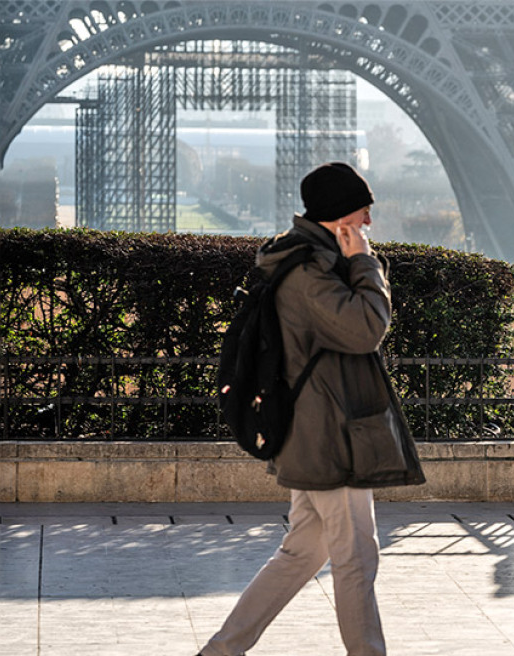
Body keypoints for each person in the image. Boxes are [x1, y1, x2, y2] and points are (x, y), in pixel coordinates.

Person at [199, 162, 424, 656]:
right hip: (329, 436)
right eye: (364, 212)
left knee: (302, 552)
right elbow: (365, 327)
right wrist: (366, 263)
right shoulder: (308, 271)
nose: (368, 224)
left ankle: (221, 651)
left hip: (321, 430)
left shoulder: (313, 261)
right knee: (357, 559)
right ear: (341, 215)